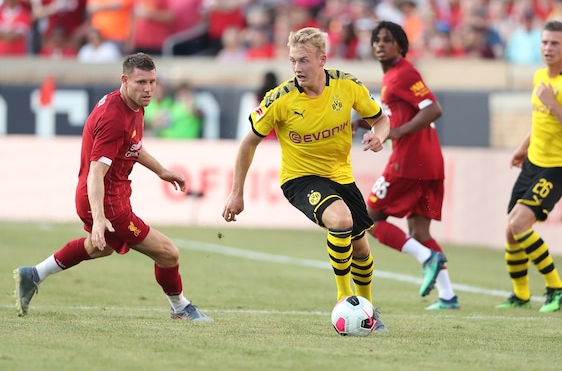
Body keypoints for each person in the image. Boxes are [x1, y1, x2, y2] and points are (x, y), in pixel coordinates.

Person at [14, 53, 212, 322]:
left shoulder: (133, 105)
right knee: (168, 253)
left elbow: (132, 146)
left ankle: (34, 274)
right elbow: (97, 171)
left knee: (100, 247)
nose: (148, 89)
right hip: (107, 203)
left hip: (106, 196)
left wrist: (161, 171)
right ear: (124, 80)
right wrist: (99, 218)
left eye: (152, 82)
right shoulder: (113, 117)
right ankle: (180, 308)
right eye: (141, 82)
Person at [222, 27, 390, 331]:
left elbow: (380, 118)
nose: (297, 68)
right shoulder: (280, 99)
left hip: (340, 176)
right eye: (292, 61)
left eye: (303, 60)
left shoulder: (348, 86)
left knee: (361, 248)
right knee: (340, 220)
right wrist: (237, 193)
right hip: (300, 179)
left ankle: (368, 313)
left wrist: (380, 136)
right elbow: (248, 142)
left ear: (322, 59)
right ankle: (344, 298)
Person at [353, 20, 455, 310]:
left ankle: (427, 258)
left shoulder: (403, 73)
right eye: (376, 40)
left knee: (370, 218)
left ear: (401, 45)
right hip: (431, 161)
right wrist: (361, 123)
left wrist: (395, 134)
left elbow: (434, 109)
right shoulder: (394, 78)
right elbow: (391, 118)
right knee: (420, 232)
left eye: (387, 39)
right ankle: (448, 296)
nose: (380, 44)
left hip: (410, 162)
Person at [496, 20, 562, 312]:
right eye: (544, 43)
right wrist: (522, 150)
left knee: (519, 223)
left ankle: (557, 288)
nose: (548, 48)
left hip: (559, 168)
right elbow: (540, 122)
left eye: (554, 43)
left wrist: (553, 104)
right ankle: (521, 295)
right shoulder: (540, 75)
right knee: (511, 232)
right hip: (533, 164)